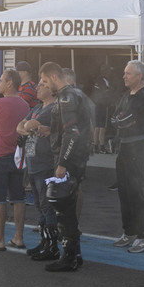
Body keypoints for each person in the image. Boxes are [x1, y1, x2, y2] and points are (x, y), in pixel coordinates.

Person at [35, 63, 94, 272]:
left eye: (43, 81)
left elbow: (73, 133)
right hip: (75, 157)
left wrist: (62, 163)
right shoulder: (74, 94)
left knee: (64, 209)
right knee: (65, 207)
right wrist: (50, 130)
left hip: (70, 160)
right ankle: (74, 255)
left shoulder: (66, 96)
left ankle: (69, 258)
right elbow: (69, 129)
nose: (42, 85)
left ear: (53, 77)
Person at [0, 69, 31, 250]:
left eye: (2, 80)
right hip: (17, 155)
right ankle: (19, 237)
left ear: (10, 83)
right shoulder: (25, 105)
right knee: (18, 197)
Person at [110, 60, 144, 253]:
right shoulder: (127, 94)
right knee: (124, 191)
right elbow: (114, 118)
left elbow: (127, 119)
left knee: (135, 192)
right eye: (124, 73)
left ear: (139, 76)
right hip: (125, 147)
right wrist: (121, 120)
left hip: (137, 146)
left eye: (128, 73)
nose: (124, 76)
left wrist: (121, 120)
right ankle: (129, 232)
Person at [20, 78, 61, 261]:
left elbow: (27, 125)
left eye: (43, 85)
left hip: (45, 163)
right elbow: (20, 126)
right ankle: (44, 242)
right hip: (33, 162)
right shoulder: (37, 108)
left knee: (47, 205)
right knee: (39, 205)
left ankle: (52, 246)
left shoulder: (52, 109)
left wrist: (28, 126)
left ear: (51, 90)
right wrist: (28, 127)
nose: (38, 87)